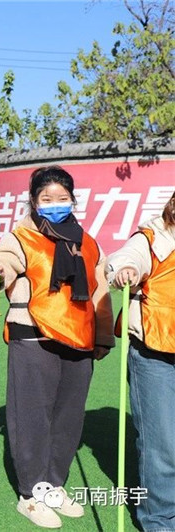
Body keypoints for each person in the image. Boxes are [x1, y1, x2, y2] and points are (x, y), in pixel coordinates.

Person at [0, 165, 114, 529]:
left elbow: (99, 289)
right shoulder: (22, 236)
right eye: (47, 198)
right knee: (32, 417)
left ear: (73, 200)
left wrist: (102, 335)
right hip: (33, 335)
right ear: (34, 201)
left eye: (62, 198)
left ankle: (53, 486)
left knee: (68, 418)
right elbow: (1, 259)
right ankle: (30, 494)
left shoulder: (88, 242)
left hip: (79, 338)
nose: (55, 204)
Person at [105, 189, 175, 531]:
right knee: (163, 446)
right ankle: (160, 519)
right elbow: (123, 258)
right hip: (154, 354)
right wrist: (125, 270)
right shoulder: (152, 238)